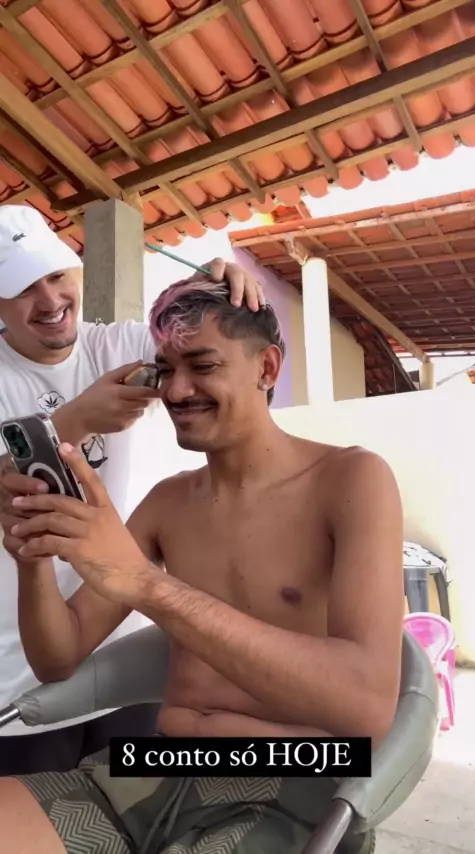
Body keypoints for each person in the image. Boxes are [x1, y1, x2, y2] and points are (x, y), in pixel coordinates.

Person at [0, 275, 405, 854]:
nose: (176, 389)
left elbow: (363, 709)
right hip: (155, 764)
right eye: (165, 369)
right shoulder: (169, 502)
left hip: (294, 777)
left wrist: (147, 586)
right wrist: (32, 555)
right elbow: (56, 657)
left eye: (203, 365)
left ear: (267, 368)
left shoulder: (351, 480)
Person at [0, 204, 264, 775]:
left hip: (122, 655)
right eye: (22, 288)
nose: (49, 299)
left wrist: (216, 287)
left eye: (55, 275)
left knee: (131, 807)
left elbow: (204, 345)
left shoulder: (117, 346)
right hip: (15, 674)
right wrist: (72, 420)